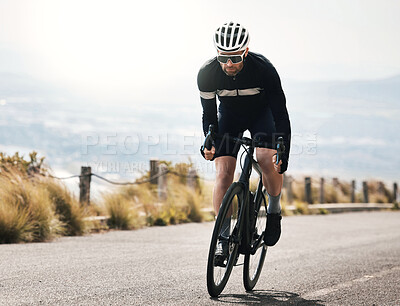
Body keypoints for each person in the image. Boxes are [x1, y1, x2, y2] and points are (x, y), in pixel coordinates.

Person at [198, 22, 291, 263]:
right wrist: (209, 142)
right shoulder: (207, 73)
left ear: (246, 52)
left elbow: (280, 114)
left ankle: (273, 210)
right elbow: (209, 115)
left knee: (264, 158)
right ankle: (223, 239)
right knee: (223, 173)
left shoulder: (264, 70)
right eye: (223, 57)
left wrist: (284, 150)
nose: (229, 63)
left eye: (236, 57)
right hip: (230, 116)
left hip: (263, 115)